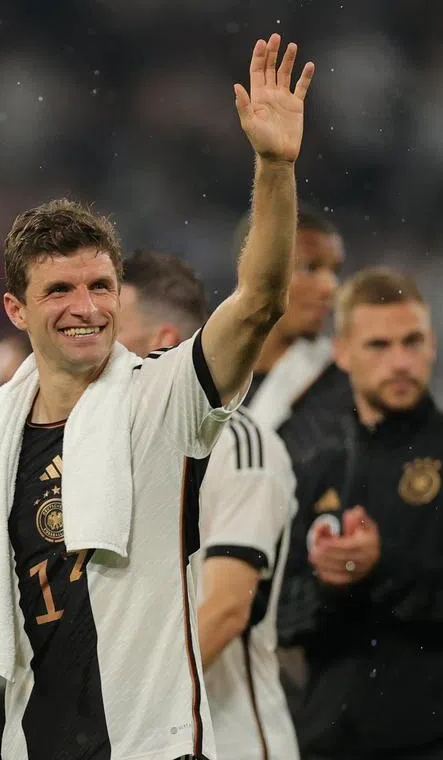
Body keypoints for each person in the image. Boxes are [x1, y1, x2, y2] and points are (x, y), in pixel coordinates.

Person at [0, 33, 316, 760]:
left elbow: (259, 301)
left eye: (101, 286)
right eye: (59, 290)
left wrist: (274, 167)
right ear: (14, 309)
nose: (86, 307)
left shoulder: (163, 396)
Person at [288, 267, 443, 760]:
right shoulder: (315, 470)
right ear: (342, 352)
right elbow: (282, 616)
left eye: (412, 341)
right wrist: (329, 585)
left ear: (432, 344)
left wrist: (382, 566)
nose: (400, 361)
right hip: (331, 743)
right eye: (379, 345)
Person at [119, 249, 300, 760]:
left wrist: (119, 700)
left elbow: (224, 611)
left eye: (113, 334)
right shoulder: (108, 448)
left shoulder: (241, 447)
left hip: (230, 743)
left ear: (163, 343)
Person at [227, 203, 356, 699]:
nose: (329, 288)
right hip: (206, 635)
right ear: (255, 264)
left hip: (310, 656)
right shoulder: (197, 379)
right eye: (309, 268)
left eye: (333, 271)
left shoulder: (347, 391)